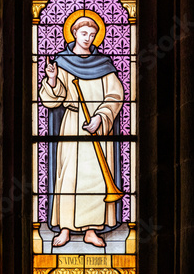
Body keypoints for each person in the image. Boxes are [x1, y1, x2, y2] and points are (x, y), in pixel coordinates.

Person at [39, 16, 124, 248]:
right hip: (73, 124)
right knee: (69, 177)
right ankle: (65, 228)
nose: (88, 38)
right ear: (74, 34)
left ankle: (91, 230)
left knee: (96, 179)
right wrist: (53, 79)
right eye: (84, 33)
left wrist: (101, 117)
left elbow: (115, 95)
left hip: (98, 128)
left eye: (92, 34)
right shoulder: (63, 63)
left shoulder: (103, 65)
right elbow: (51, 100)